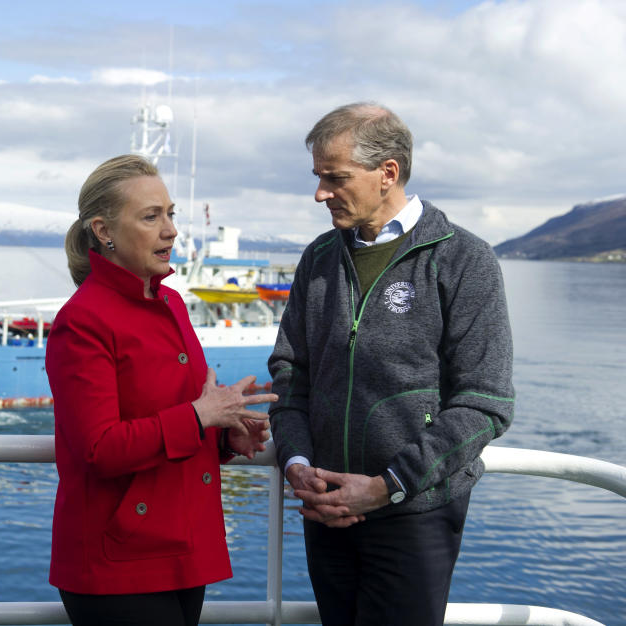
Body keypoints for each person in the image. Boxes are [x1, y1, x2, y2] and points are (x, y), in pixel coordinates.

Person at [268, 102, 515, 626]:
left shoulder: (463, 259)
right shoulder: (317, 259)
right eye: (317, 178)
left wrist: (386, 485)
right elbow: (290, 377)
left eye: (334, 178)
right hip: (327, 510)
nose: (319, 194)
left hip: (415, 513)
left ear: (388, 173)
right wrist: (296, 464)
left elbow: (486, 402)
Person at [46, 154, 277, 626]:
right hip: (119, 563)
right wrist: (201, 416)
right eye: (151, 217)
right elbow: (99, 448)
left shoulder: (170, 301)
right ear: (103, 230)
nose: (170, 230)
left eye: (170, 214)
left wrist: (223, 436)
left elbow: (175, 414)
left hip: (178, 546)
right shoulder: (83, 320)